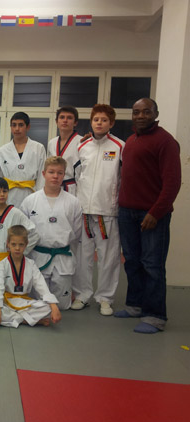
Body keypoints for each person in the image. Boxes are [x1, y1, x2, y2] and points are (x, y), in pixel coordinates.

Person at [114, 98, 181, 334]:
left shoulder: (166, 141)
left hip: (152, 214)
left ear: (155, 114)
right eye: (136, 112)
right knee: (132, 261)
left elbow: (172, 183)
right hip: (127, 212)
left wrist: (156, 212)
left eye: (146, 112)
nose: (140, 116)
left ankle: (155, 316)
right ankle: (135, 305)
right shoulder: (131, 141)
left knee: (152, 264)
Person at [73, 104, 125, 316]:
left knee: (108, 258)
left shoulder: (120, 146)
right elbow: (78, 176)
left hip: (107, 210)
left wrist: (115, 202)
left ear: (111, 123)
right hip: (84, 210)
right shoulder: (82, 146)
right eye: (96, 120)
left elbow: (122, 178)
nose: (99, 123)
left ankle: (105, 298)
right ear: (91, 122)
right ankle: (82, 294)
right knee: (83, 257)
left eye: (104, 120)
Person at [20, 156, 82, 311]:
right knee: (38, 304)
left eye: (60, 173)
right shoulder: (30, 201)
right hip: (38, 257)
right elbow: (23, 231)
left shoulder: (73, 202)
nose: (55, 176)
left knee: (62, 306)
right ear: (43, 174)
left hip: (63, 259)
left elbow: (76, 232)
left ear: (64, 175)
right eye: (51, 172)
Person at [0, 225, 62, 328]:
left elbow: (41, 286)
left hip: (24, 303)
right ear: (8, 244)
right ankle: (27, 320)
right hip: (6, 302)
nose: (17, 248)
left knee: (48, 308)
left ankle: (17, 319)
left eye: (21, 244)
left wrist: (53, 305)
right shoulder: (3, 264)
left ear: (26, 244)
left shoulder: (31, 264)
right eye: (13, 244)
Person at [0, 177, 39, 299]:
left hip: (10, 262)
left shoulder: (16, 213)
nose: (2, 194)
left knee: (9, 296)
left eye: (5, 191)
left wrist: (20, 250)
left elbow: (34, 234)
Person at [0, 112, 46, 208]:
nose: (17, 129)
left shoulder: (38, 148)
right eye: (14, 125)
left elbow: (42, 176)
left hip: (31, 193)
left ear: (28, 127)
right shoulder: (2, 150)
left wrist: (40, 197)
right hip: (9, 194)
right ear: (10, 127)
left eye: (21, 125)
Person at [47, 106, 83, 195]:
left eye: (69, 118)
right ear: (56, 121)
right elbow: (48, 166)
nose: (65, 120)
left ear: (75, 122)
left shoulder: (81, 142)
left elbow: (83, 172)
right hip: (53, 187)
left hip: (72, 188)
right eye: (62, 117)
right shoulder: (52, 142)